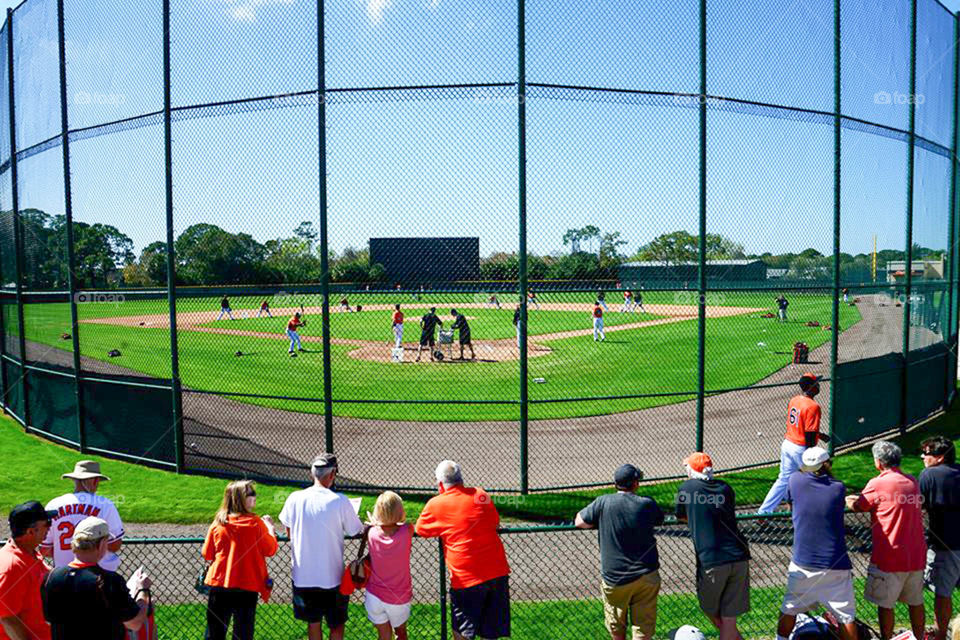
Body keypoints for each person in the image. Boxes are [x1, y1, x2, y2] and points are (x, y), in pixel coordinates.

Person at [415, 461, 510, 640]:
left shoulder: (436, 504)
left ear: (440, 484)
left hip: (467, 578)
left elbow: (421, 529)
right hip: (497, 571)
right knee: (491, 633)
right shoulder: (480, 494)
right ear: (461, 480)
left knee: (462, 633)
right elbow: (495, 522)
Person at [776, 448, 859, 640]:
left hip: (803, 563)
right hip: (835, 563)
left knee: (789, 608)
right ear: (826, 464)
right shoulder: (838, 487)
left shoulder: (795, 480)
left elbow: (792, 505)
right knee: (845, 615)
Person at [847, 441, 927, 640]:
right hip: (915, 555)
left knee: (885, 604)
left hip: (890, 556)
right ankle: (919, 636)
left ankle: (886, 638)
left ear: (879, 462)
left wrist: (848, 499)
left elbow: (859, 506)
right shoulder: (912, 481)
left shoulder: (878, 483)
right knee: (916, 602)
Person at [576, 464, 664, 640]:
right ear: (636, 484)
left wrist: (600, 520)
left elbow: (579, 522)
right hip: (646, 574)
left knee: (616, 626)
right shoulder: (647, 503)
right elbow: (659, 520)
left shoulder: (603, 502)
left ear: (616, 484)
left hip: (615, 577)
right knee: (643, 627)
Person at [279, 454, 363, 640]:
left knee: (313, 623)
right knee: (337, 624)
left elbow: (289, 530)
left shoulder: (294, 498)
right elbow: (356, 529)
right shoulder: (340, 500)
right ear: (332, 474)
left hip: (303, 577)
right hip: (332, 577)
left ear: (313, 473)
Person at [675, 453, 750, 640]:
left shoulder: (687, 488)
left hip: (712, 560)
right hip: (739, 556)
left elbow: (681, 516)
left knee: (709, 608)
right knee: (728, 619)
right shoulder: (725, 488)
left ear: (692, 470)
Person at [41, 516, 151, 639]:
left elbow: (48, 619)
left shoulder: (52, 577)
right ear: (101, 544)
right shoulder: (109, 581)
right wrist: (143, 592)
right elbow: (134, 623)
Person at [201, 480, 279, 640]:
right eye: (251, 494)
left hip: (220, 585)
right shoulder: (256, 524)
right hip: (247, 586)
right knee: (243, 634)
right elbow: (270, 549)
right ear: (240, 499)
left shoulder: (218, 523)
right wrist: (271, 530)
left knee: (214, 634)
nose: (255, 496)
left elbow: (207, 554)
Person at [41, 460, 124, 572]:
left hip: (64, 578)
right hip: (100, 579)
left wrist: (68, 552)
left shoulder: (53, 505)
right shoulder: (105, 505)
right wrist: (92, 546)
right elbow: (115, 545)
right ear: (95, 481)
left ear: (74, 480)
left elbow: (45, 549)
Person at [758, 374, 823, 514]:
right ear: (811, 387)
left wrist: (820, 435)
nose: (819, 385)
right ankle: (819, 516)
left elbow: (799, 424)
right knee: (815, 480)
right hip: (800, 448)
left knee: (783, 480)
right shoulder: (813, 406)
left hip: (788, 444)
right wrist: (811, 454)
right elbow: (809, 434)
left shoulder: (794, 400)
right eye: (817, 383)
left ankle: (763, 513)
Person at [919, 436, 960, 640]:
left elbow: (917, 505)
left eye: (926, 454)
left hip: (945, 544)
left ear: (940, 457)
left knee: (943, 593)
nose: (923, 458)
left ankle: (941, 635)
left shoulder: (929, 475)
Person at [0, 501, 54, 640]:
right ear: (30, 531)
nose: (49, 528)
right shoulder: (12, 566)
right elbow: (7, 617)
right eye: (46, 524)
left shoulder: (30, 553)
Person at [364, 492, 412, 640]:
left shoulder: (372, 533)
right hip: (399, 597)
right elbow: (409, 524)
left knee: (384, 636)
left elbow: (375, 526)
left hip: (374, 596)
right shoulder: (406, 531)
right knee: (401, 634)